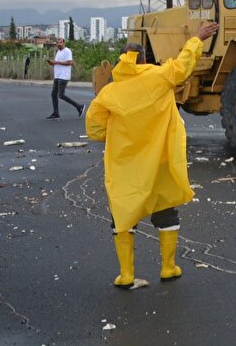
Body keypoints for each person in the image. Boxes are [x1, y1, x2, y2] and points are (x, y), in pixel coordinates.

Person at [85, 21, 219, 288]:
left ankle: (126, 274)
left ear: (121, 61)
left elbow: (94, 128)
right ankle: (168, 267)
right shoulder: (159, 77)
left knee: (123, 213)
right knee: (165, 210)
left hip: (125, 164)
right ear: (145, 59)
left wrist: (118, 137)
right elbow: (183, 65)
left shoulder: (109, 92)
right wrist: (197, 38)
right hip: (159, 160)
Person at [46, 37, 82, 118]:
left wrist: (56, 62)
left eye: (60, 42)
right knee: (53, 95)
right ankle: (56, 113)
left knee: (61, 95)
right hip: (57, 76)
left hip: (63, 77)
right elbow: (57, 63)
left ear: (64, 43)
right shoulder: (58, 52)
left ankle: (79, 106)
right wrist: (52, 63)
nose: (59, 44)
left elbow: (70, 62)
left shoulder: (67, 51)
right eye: (57, 42)